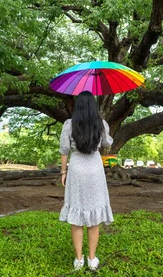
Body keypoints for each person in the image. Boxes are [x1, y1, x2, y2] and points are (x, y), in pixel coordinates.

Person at [59, 91, 114, 271]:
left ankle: (78, 259)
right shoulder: (101, 124)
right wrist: (104, 129)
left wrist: (63, 172)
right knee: (94, 217)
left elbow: (64, 150)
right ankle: (92, 259)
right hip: (95, 170)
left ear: (78, 106)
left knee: (77, 218)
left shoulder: (69, 124)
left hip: (76, 170)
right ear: (93, 106)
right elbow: (107, 143)